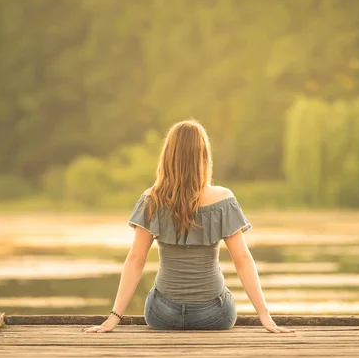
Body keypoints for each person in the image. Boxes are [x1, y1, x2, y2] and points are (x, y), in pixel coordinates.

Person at [85, 118, 295, 333]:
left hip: (162, 314)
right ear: (204, 157)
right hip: (214, 315)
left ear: (168, 156)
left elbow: (136, 259)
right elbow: (242, 259)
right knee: (224, 292)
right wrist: (264, 315)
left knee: (156, 291)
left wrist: (114, 317)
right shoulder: (222, 199)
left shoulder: (152, 199)